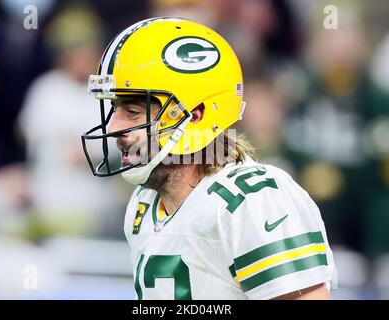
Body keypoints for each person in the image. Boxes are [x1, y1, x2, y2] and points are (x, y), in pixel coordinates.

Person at [81, 17, 335, 300]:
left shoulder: (253, 201)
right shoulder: (144, 204)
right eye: (115, 110)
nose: (114, 127)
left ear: (196, 115)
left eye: (133, 113)